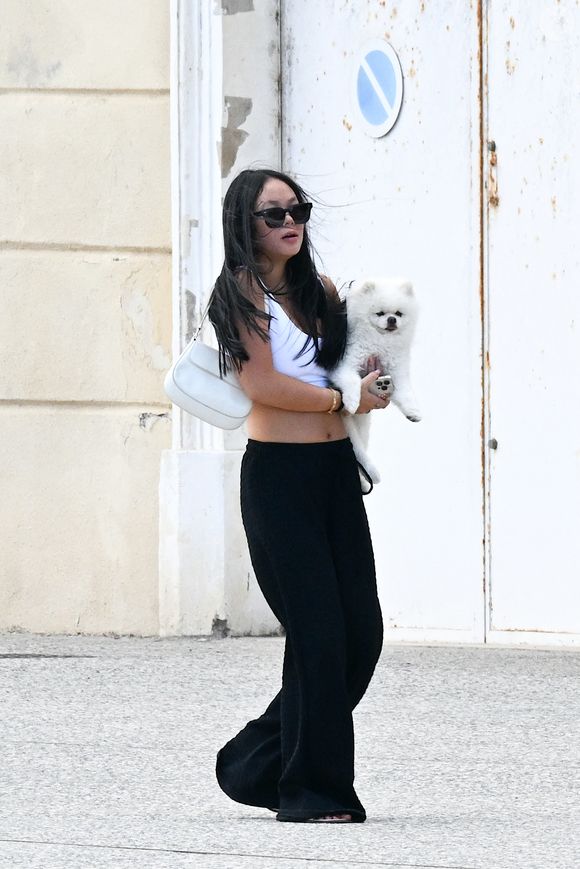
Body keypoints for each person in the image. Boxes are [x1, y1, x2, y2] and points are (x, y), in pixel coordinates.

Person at [209, 168, 389, 823]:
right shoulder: (236, 293)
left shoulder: (326, 292)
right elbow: (264, 383)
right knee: (318, 634)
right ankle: (313, 791)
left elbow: (345, 374)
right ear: (245, 223)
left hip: (334, 473)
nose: (289, 221)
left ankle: (255, 762)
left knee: (360, 634)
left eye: (297, 209)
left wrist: (372, 383)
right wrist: (341, 396)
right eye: (272, 212)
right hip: (278, 481)